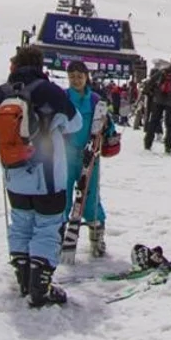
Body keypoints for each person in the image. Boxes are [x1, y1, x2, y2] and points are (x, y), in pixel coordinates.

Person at [0, 47, 83, 307]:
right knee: (48, 226)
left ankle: (23, 277)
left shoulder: (2, 92)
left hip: (14, 174)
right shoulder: (49, 91)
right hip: (48, 173)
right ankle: (40, 285)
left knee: (21, 223)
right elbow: (76, 123)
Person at [59, 60, 116, 259]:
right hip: (65, 154)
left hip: (91, 155)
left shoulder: (95, 100)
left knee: (91, 197)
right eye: (72, 76)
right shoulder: (63, 97)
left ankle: (96, 236)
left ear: (86, 77)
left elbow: (106, 123)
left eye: (79, 76)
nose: (76, 80)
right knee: (63, 196)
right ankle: (59, 236)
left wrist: (110, 132)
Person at [142, 54, 171, 153]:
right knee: (170, 124)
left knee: (153, 121)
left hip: (158, 99)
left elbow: (151, 80)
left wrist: (146, 91)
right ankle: (168, 146)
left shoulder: (163, 71)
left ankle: (147, 143)